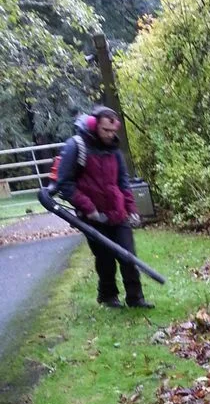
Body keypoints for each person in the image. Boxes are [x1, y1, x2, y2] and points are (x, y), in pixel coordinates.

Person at [56, 107, 154, 309]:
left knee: (128, 255)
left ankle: (136, 298)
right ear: (94, 125)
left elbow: (123, 182)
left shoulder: (114, 150)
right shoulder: (77, 147)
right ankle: (108, 296)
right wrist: (88, 207)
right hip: (92, 217)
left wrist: (132, 208)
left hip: (117, 213)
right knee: (105, 258)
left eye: (113, 131)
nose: (110, 135)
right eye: (105, 130)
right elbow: (64, 184)